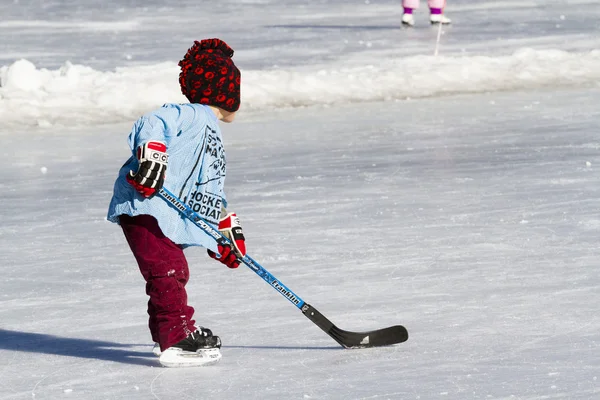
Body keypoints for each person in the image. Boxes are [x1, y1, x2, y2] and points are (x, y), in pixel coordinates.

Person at [106, 38, 246, 368]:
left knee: (167, 272)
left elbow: (209, 188)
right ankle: (176, 337)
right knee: (169, 271)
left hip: (160, 210)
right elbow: (152, 123)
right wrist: (152, 157)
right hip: (145, 204)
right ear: (225, 94)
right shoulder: (192, 115)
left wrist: (224, 229)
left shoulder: (210, 131)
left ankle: (166, 334)